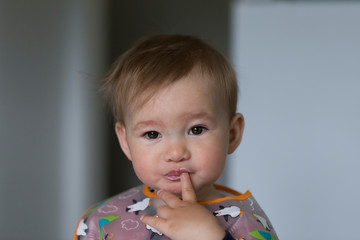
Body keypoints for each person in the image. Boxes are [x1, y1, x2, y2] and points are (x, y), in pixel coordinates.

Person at [73, 34, 278, 240]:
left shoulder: (245, 222)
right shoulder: (103, 220)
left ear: (232, 134)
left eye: (196, 130)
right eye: (152, 134)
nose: (176, 153)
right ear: (126, 142)